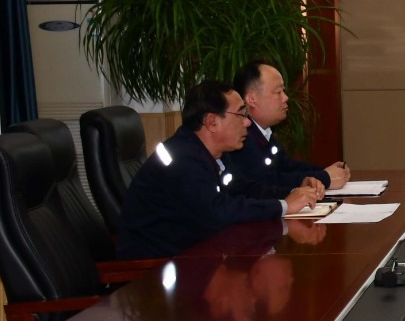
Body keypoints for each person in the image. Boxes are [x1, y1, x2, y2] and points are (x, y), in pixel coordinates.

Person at [116, 81, 320, 260]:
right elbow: (218, 212)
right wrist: (283, 206)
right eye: (241, 114)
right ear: (212, 122)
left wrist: (293, 192)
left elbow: (242, 188)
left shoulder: (207, 152)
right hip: (156, 272)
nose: (247, 122)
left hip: (192, 259)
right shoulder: (183, 160)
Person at [227, 61, 351, 190]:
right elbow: (264, 181)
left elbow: (285, 166)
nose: (285, 97)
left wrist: (325, 172)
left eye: (284, 91)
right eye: (278, 92)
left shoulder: (263, 132)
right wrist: (324, 177)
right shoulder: (242, 137)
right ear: (252, 99)